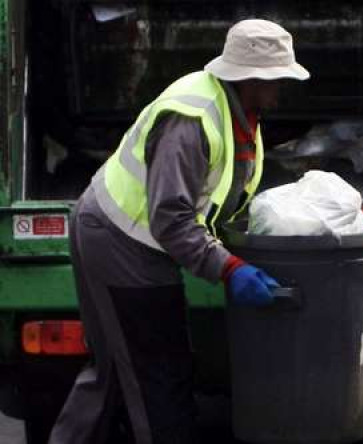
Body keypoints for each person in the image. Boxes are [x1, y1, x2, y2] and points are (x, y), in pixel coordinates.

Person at [49, 19, 309, 444]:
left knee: (121, 370)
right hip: (120, 240)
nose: (282, 87)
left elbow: (213, 196)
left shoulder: (238, 112)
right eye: (277, 77)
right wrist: (228, 269)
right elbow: (169, 218)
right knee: (158, 375)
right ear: (252, 78)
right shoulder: (192, 119)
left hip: (135, 240)